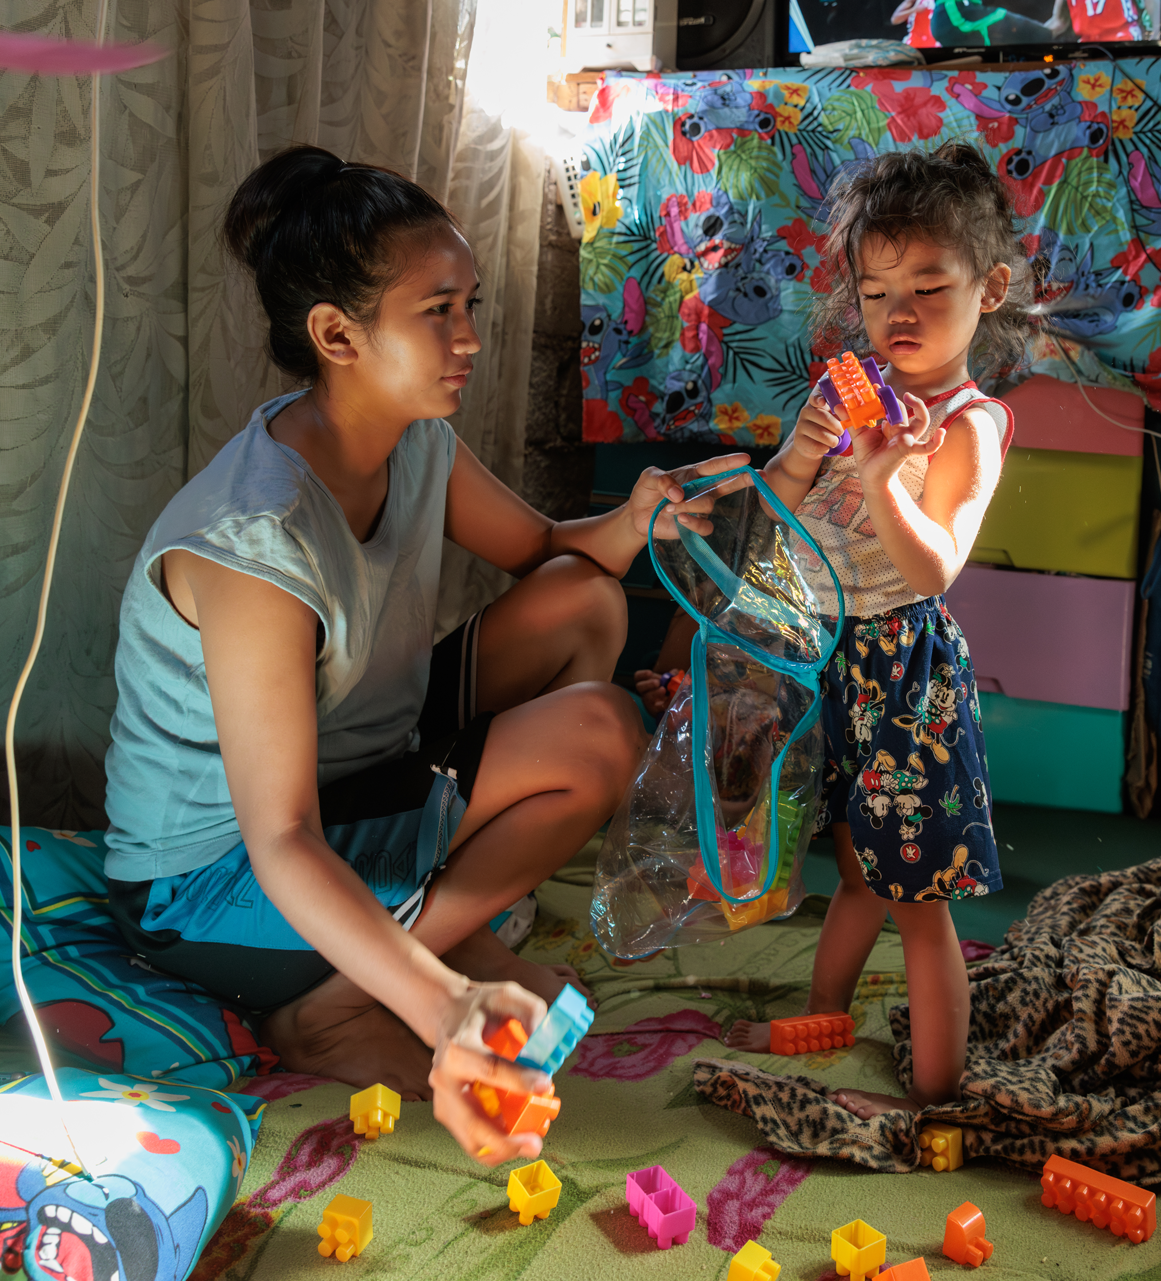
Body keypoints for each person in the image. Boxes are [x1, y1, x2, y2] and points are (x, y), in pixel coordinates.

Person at [102, 145, 735, 1165]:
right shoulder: (256, 543)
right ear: (337, 336)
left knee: (585, 601)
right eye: (437, 310)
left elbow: (540, 551)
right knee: (601, 733)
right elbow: (281, 837)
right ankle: (340, 1001)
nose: (470, 338)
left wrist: (640, 515)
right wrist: (444, 1008)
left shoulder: (413, 437)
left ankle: (417, 927)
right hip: (208, 884)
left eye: (469, 303)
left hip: (364, 761)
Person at [724, 144, 1034, 1117]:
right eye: (874, 291)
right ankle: (825, 1012)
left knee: (919, 898)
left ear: (990, 289)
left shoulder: (969, 423)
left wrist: (877, 475)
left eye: (928, 288)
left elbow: (932, 566)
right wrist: (800, 452)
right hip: (827, 654)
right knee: (854, 865)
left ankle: (940, 1097)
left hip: (906, 669)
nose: (897, 314)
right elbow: (770, 519)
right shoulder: (851, 395)